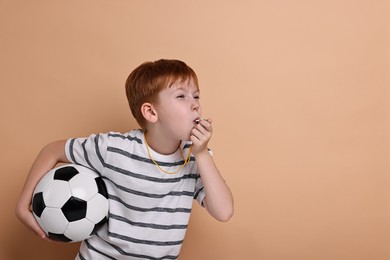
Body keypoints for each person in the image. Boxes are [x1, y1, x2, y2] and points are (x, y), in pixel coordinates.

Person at [15, 59, 234, 259]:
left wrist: (203, 153)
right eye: (181, 96)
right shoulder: (114, 148)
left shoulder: (194, 157)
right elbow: (52, 151)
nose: (195, 104)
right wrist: (22, 205)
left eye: (196, 96)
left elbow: (224, 212)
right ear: (150, 112)